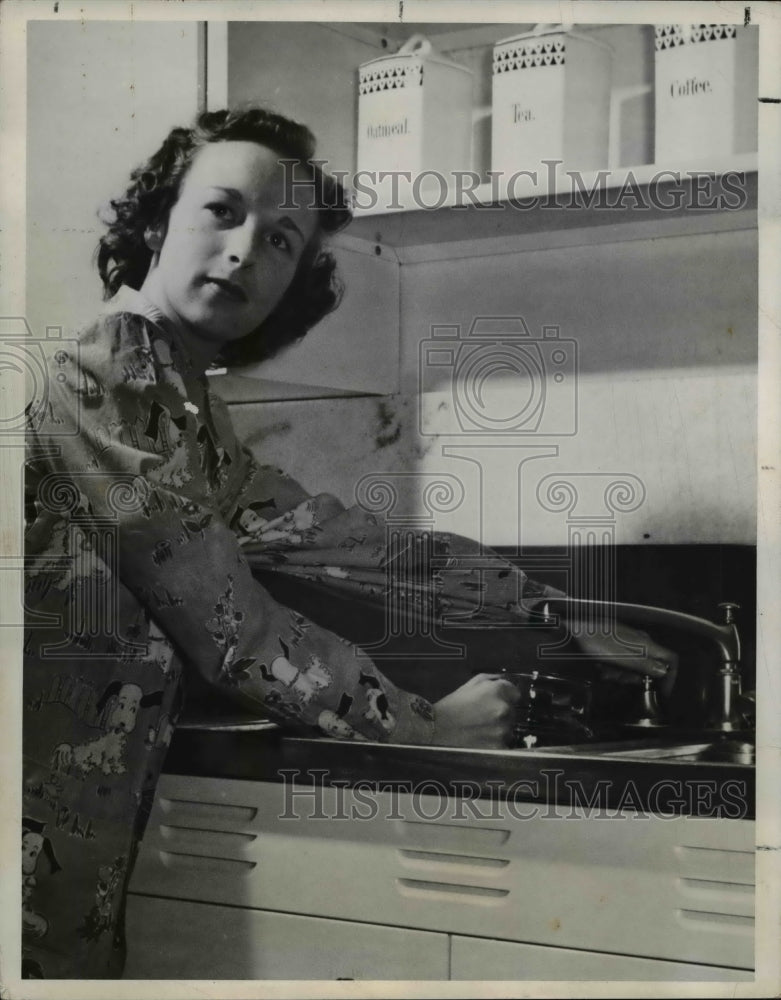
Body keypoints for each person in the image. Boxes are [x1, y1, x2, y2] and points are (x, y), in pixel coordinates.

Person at [22, 106, 676, 978]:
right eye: (222, 210)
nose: (244, 251)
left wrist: (552, 609)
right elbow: (231, 626)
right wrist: (426, 727)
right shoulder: (104, 371)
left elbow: (341, 540)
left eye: (281, 239)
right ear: (155, 222)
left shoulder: (179, 400)